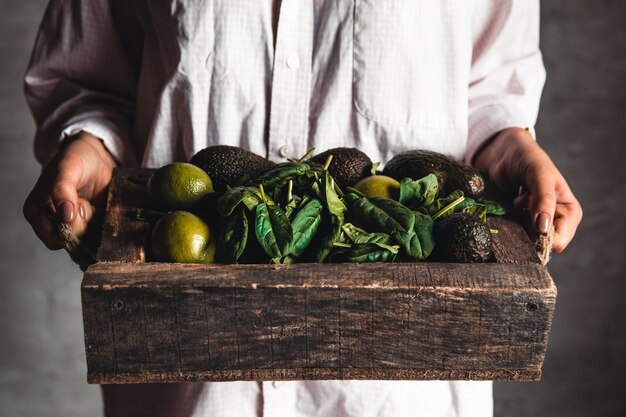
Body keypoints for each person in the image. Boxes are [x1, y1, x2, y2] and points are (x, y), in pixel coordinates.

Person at [23, 1, 582, 416]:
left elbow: (491, 90)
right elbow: (88, 78)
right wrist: (87, 145)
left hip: (400, 391)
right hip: (191, 387)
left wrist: (514, 148)